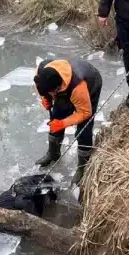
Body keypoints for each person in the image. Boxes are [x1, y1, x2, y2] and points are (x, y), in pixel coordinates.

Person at [33, 58, 102, 186]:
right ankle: (53, 153)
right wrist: (45, 98)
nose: (52, 95)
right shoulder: (42, 71)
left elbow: (85, 112)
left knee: (84, 130)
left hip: (90, 84)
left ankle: (82, 167)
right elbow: (38, 85)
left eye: (52, 92)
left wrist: (63, 123)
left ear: (59, 87)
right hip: (62, 87)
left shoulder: (78, 86)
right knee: (56, 116)